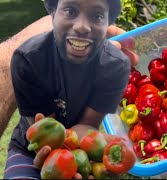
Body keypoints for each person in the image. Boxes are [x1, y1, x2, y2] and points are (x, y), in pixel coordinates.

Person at [3, 0, 138, 179]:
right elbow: (46, 133)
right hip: (28, 149)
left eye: (97, 16)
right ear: (52, 12)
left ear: (108, 23)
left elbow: (87, 124)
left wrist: (90, 149)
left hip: (79, 151)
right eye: (70, 11)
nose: (82, 27)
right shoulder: (28, 60)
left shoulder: (115, 66)